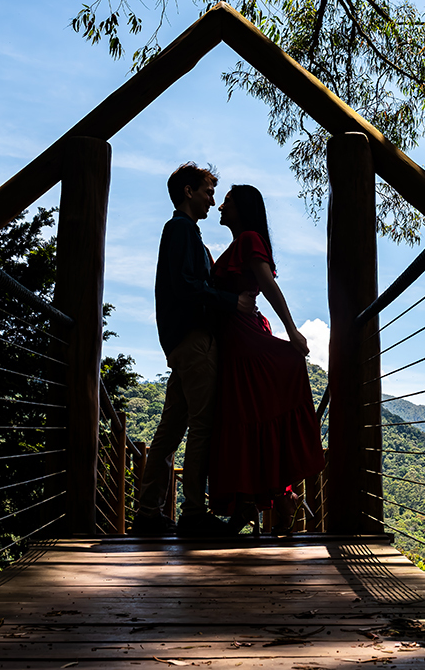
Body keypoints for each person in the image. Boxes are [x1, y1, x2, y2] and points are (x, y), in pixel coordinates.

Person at [131, 163, 255, 536]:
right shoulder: (182, 230)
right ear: (188, 192)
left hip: (179, 343)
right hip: (195, 340)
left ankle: (147, 514)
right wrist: (233, 303)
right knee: (202, 426)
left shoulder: (184, 233)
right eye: (206, 192)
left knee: (169, 432)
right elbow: (188, 286)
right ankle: (193, 513)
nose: (211, 200)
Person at [208, 184, 325, 535]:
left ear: (242, 208)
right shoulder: (237, 244)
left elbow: (268, 287)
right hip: (236, 343)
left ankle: (254, 507)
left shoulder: (249, 241)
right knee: (246, 416)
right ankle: (277, 499)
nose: (220, 207)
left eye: (227, 201)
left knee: (245, 416)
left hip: (245, 342)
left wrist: (292, 331)